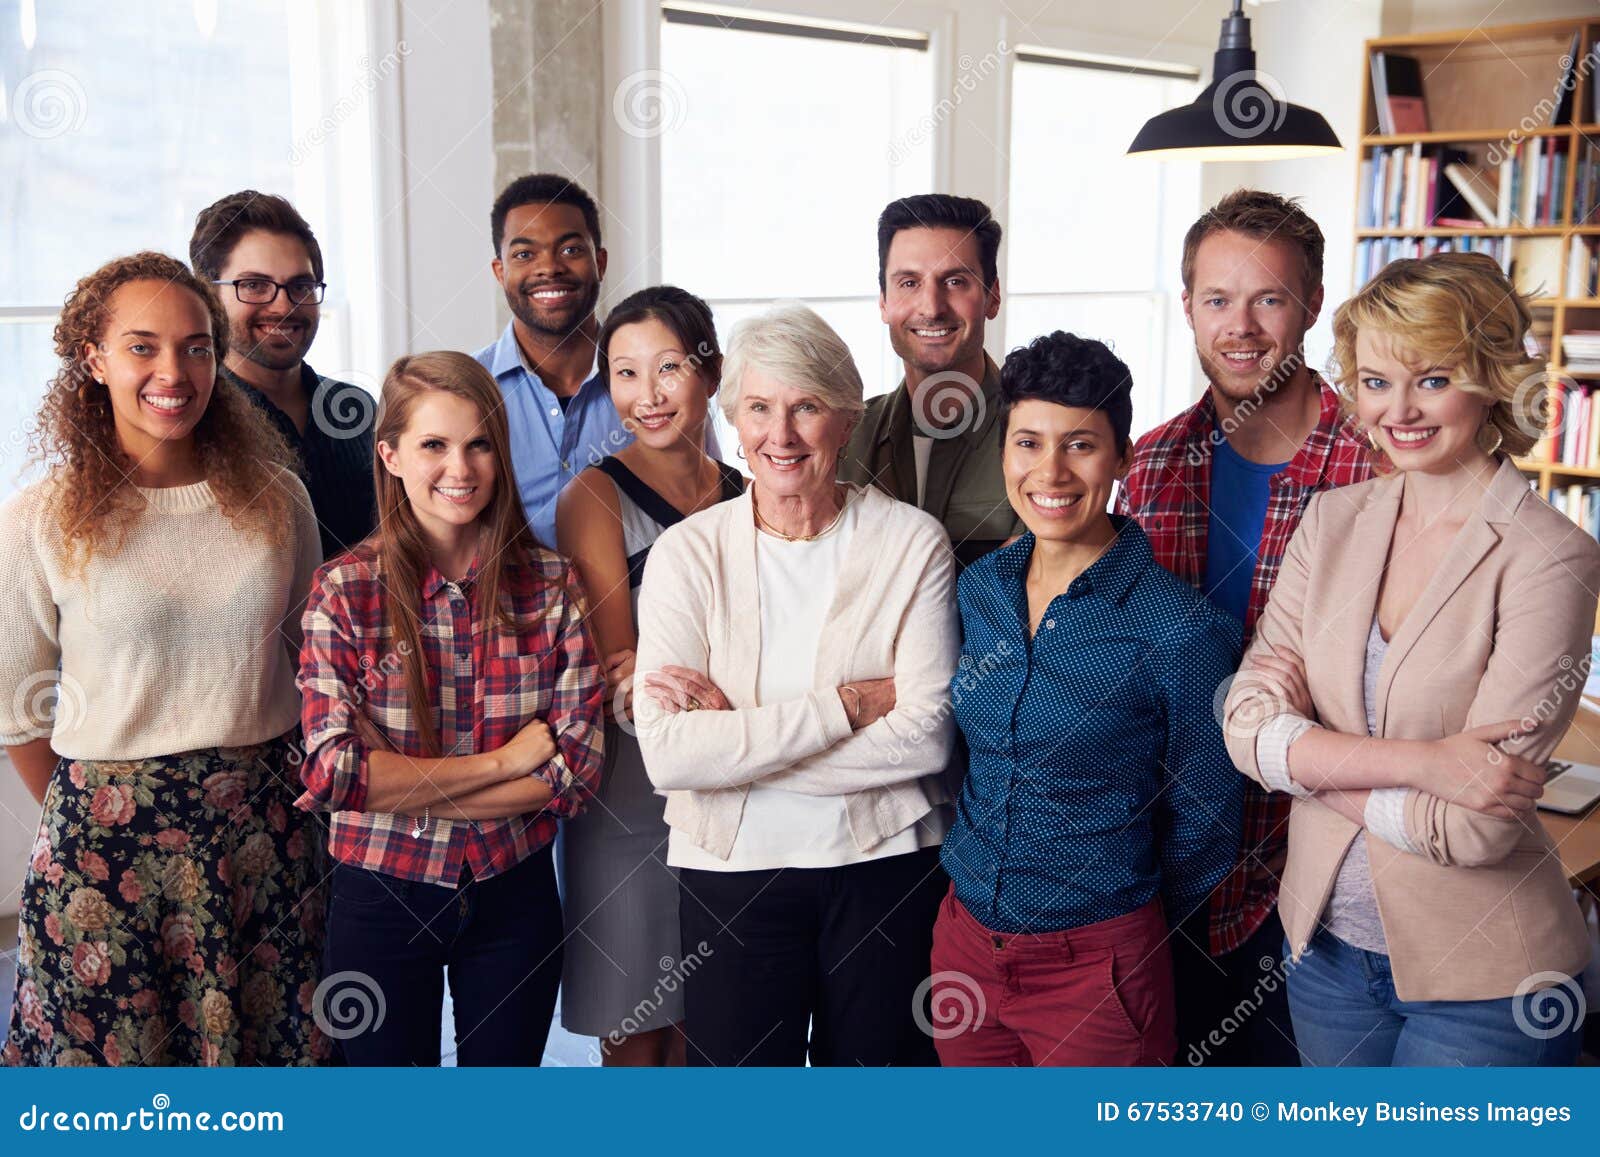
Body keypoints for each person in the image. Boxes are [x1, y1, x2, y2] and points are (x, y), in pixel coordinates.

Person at [1223, 252, 1598, 1066]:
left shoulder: (1550, 556)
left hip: (1489, 979)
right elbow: (1244, 720)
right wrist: (1426, 763)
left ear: (1493, 378)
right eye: (1377, 380)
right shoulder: (1332, 520)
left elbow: (1473, 825)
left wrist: (1306, 763)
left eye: (1433, 379)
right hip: (1323, 949)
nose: (1401, 409)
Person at [1, 252, 328, 1067]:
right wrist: (114, 803)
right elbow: (15, 709)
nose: (172, 372)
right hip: (104, 857)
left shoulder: (277, 497)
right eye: (142, 346)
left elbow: (311, 665)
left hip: (267, 839)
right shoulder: (43, 516)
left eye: (195, 347)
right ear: (94, 359)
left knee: (274, 1080)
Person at [633, 303, 956, 1067]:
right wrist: (845, 707)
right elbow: (672, 757)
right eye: (758, 408)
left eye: (806, 407)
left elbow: (927, 737)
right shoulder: (686, 555)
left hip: (882, 867)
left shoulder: (912, 543)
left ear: (845, 419)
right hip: (729, 873)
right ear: (734, 421)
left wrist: (738, 749)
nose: (780, 435)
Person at [931, 332, 1243, 1067]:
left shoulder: (1182, 630)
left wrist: (1114, 909)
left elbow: (1206, 828)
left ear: (1122, 457)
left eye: (1079, 445)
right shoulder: (979, 590)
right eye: (1028, 442)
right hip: (966, 945)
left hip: (1098, 966)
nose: (1051, 471)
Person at [1116, 189, 1372, 1065]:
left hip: (1320, 871)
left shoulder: (1375, 466)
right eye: (1218, 299)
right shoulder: (1147, 466)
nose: (1242, 326)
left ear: (1312, 303)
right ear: (1186, 305)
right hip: (1166, 866)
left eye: (1269, 298)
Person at [296, 351, 605, 1066]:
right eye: (433, 445)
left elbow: (577, 771)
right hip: (380, 894)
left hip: (514, 893)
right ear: (391, 455)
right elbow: (334, 773)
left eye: (478, 444)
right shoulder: (344, 591)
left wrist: (401, 786)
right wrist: (503, 763)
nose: (458, 469)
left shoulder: (553, 585)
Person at [555, 286, 744, 1066]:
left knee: (712, 1020)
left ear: (712, 372)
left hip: (736, 792)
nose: (648, 394)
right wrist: (737, 691)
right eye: (625, 374)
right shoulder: (592, 496)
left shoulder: (749, 490)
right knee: (635, 1026)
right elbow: (622, 668)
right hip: (630, 797)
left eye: (668, 367)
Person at [474, 173, 716, 547]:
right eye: (524, 254)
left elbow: (712, 505)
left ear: (600, 262)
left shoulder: (665, 393)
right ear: (500, 271)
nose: (549, 267)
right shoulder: (469, 388)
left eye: (570, 250)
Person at [190, 190, 377, 561]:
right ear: (209, 295)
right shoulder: (194, 418)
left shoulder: (358, 409)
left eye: (301, 286)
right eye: (254, 285)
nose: (283, 305)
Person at [840, 193, 1022, 568]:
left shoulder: (1038, 437)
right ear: (883, 301)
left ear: (992, 296)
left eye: (955, 281)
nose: (932, 307)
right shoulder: (843, 436)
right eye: (909, 283)